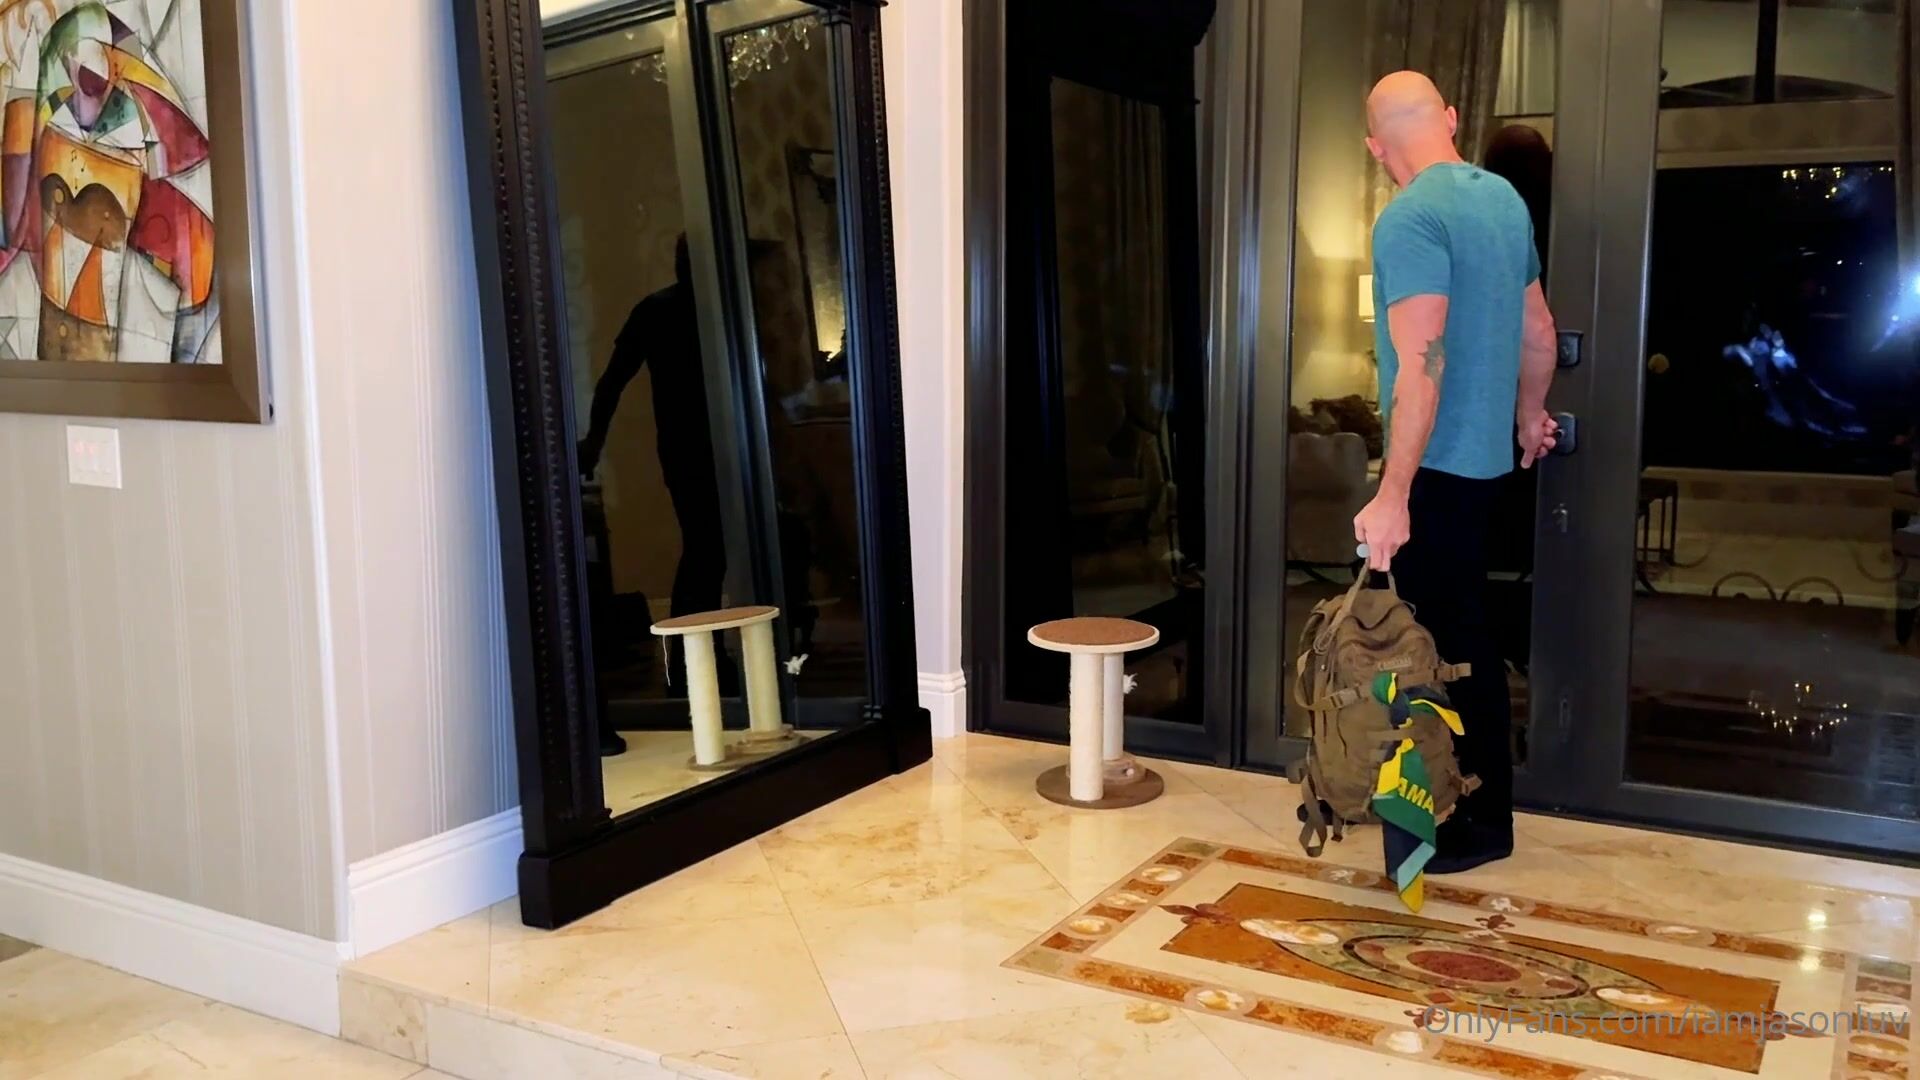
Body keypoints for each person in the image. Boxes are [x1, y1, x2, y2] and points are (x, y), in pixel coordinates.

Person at [1350, 72, 1561, 873]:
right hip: (1482, 469)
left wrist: (1393, 492)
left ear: (1376, 148)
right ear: (1450, 117)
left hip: (1433, 466)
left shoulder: (1410, 217)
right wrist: (1529, 415)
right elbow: (1539, 330)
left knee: (1419, 653)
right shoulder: (1502, 201)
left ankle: (1445, 828)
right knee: (1464, 636)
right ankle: (1480, 819)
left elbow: (1422, 364)